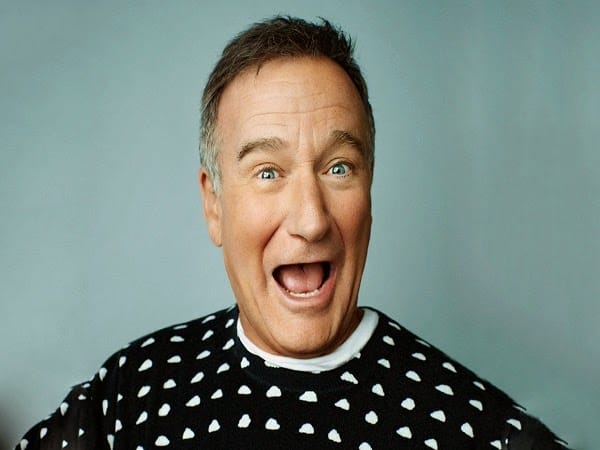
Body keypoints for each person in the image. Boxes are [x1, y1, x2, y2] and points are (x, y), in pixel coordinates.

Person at [16, 16, 568, 450]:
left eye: (338, 168)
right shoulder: (128, 397)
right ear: (214, 204)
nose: (310, 220)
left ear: (370, 192)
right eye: (267, 172)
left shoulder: (484, 431)